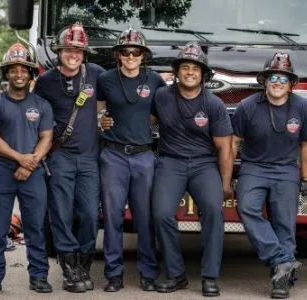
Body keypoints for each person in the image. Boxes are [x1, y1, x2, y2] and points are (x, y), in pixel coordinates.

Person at [151, 42, 233, 297]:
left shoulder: (214, 104)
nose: (189, 72)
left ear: (203, 75)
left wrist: (226, 184)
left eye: (195, 69)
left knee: (212, 210)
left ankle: (210, 277)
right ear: (177, 72)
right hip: (170, 161)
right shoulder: (161, 96)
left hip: (203, 164)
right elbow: (143, 120)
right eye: (185, 67)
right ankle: (176, 275)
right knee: (161, 213)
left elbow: (225, 148)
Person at [33, 22, 104, 293]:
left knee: (88, 213)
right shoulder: (46, 81)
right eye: (68, 50)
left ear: (84, 53)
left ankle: (84, 263)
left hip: (89, 158)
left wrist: (106, 118)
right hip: (60, 156)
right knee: (60, 214)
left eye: (78, 50)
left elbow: (119, 96)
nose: (73, 55)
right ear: (59, 51)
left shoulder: (97, 75)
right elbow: (34, 116)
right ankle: (68, 268)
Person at [0, 42, 54, 294]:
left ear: (32, 73)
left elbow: (46, 137)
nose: (19, 74)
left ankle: (39, 276)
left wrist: (29, 162)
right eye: (13, 70)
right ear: (6, 73)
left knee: (35, 227)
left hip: (33, 171)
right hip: (2, 170)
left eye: (24, 70)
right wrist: (20, 158)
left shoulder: (42, 105)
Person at [97, 27, 166, 292]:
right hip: (113, 154)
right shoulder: (105, 79)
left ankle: (148, 273)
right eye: (125, 52)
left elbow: (159, 112)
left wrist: (142, 127)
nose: (130, 56)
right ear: (117, 55)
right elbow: (98, 111)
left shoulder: (155, 80)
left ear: (143, 55)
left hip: (143, 156)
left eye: (135, 52)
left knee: (144, 217)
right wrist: (101, 121)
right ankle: (114, 274)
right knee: (113, 217)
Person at [231, 52, 304, 299]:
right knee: (247, 207)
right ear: (265, 79)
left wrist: (305, 177)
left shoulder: (302, 107)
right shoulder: (247, 106)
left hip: (286, 170)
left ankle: (281, 282)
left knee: (285, 223)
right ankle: (281, 258)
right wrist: (227, 175)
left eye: (284, 79)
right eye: (273, 76)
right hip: (254, 167)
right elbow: (233, 142)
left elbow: (306, 144)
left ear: (291, 83)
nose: (278, 83)